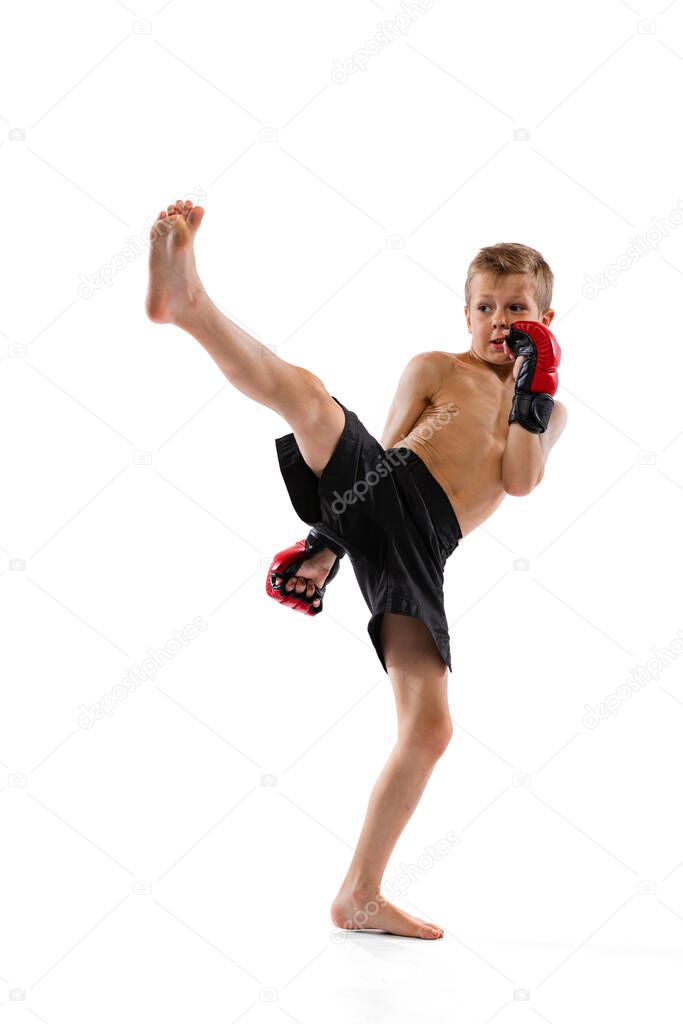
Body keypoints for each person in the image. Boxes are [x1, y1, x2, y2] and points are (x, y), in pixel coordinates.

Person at [146, 200, 568, 940]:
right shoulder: (436, 367)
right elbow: (385, 451)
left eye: (516, 307)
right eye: (484, 305)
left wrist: (533, 394)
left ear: (545, 316)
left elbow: (521, 480)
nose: (499, 318)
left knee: (430, 729)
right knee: (311, 400)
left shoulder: (544, 410)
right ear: (464, 313)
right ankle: (188, 306)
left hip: (425, 549)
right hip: (392, 492)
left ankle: (359, 895)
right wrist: (328, 543)